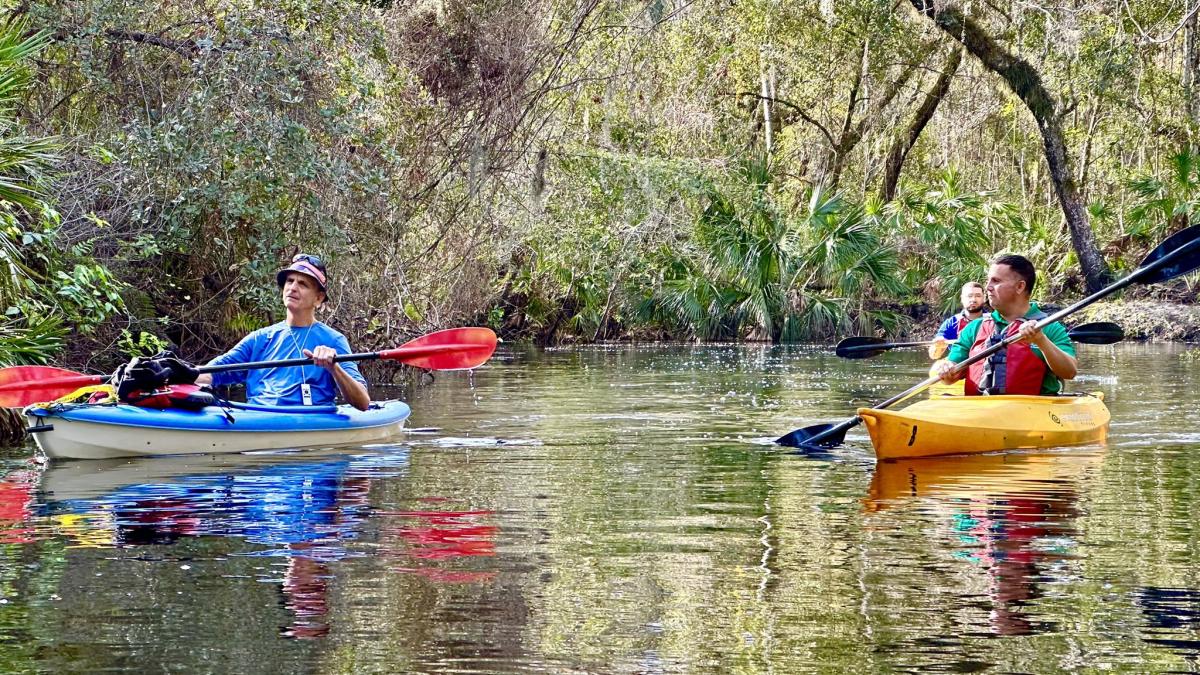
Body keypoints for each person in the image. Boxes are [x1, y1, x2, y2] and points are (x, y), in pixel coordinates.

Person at [195, 254, 371, 411]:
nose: (293, 287)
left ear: (318, 298)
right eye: (290, 281)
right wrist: (178, 372)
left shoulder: (334, 340)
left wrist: (334, 368)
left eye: (303, 284)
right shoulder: (259, 339)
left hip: (310, 425)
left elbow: (362, 402)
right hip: (257, 420)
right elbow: (210, 373)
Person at [935, 254, 1077, 396]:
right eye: (988, 280)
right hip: (979, 410)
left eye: (996, 281)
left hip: (1032, 411)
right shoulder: (974, 328)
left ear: (1020, 286)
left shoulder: (1050, 328)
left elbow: (1070, 372)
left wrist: (1040, 340)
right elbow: (950, 378)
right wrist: (948, 370)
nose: (988, 287)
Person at [928, 282, 986, 359]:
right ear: (962, 299)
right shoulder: (952, 323)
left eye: (978, 296)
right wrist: (938, 346)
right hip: (958, 363)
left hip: (985, 363)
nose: (973, 299)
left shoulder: (992, 320)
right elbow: (934, 356)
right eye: (969, 296)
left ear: (984, 298)